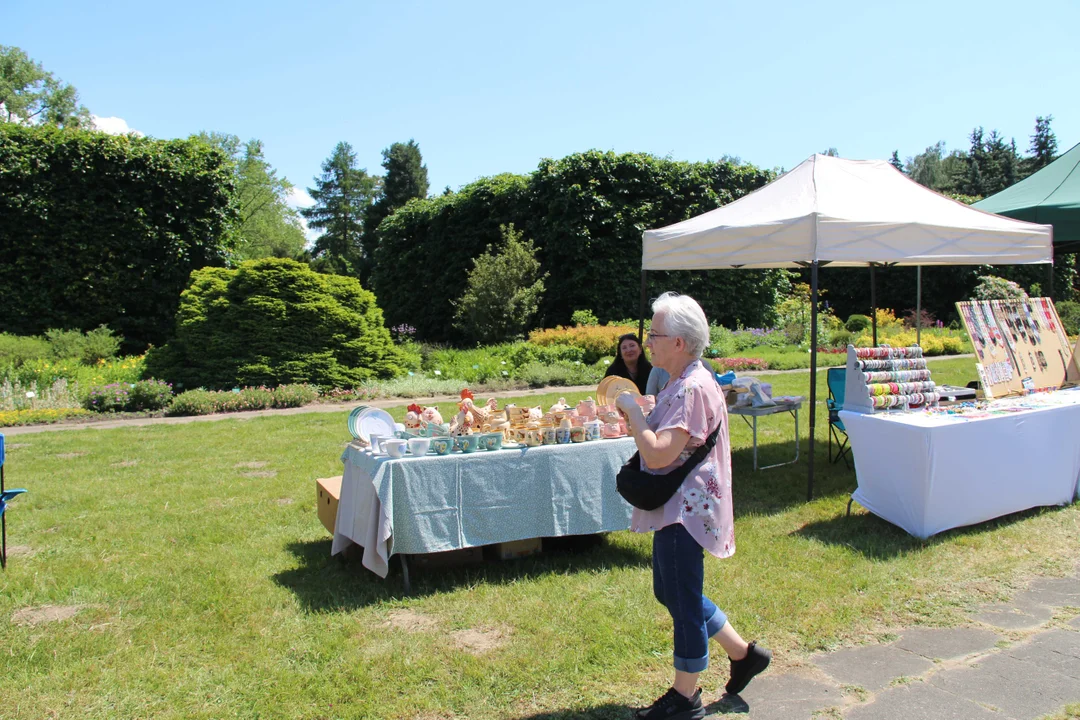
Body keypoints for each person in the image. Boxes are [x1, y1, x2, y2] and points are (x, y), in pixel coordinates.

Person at [615, 292, 771, 719]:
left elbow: (660, 454)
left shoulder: (691, 387)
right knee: (671, 590)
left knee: (682, 600)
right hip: (679, 504)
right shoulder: (684, 380)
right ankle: (743, 654)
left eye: (655, 334)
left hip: (685, 509)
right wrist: (643, 411)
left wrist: (633, 414)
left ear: (679, 342)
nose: (648, 342)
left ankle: (685, 698)